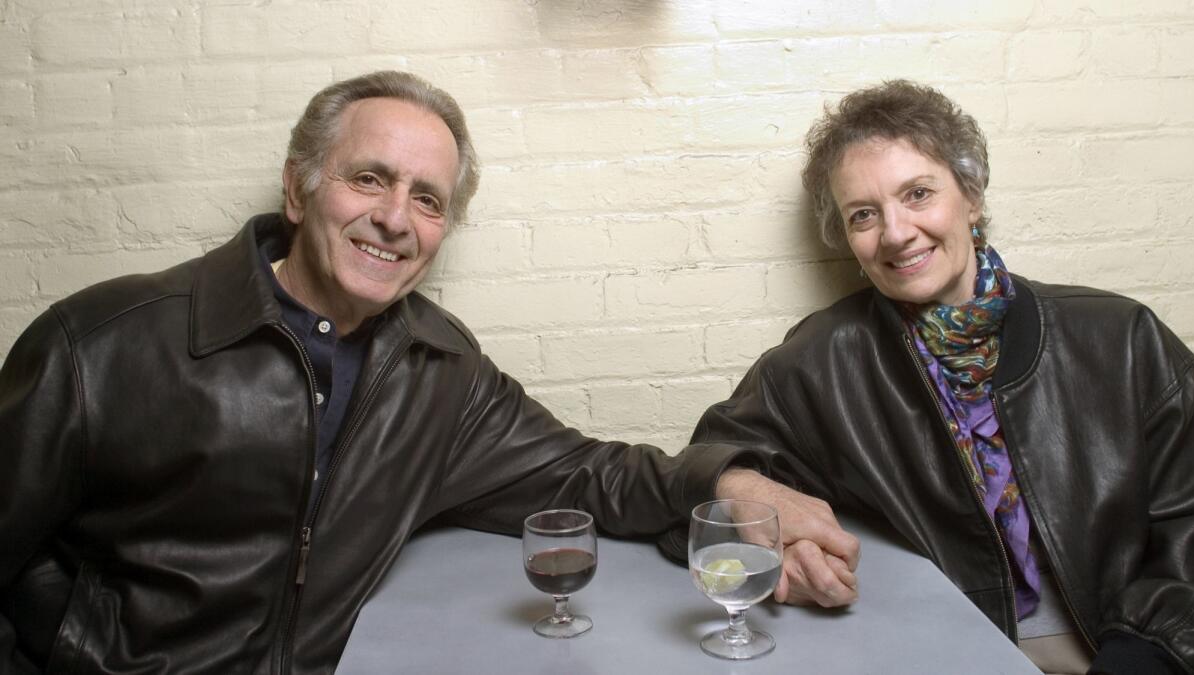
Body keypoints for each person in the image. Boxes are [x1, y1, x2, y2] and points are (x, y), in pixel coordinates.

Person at [0, 71, 858, 674]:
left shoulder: (439, 370)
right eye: (369, 177)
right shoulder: (99, 344)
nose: (393, 218)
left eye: (427, 198)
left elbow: (588, 475)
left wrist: (737, 484)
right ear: (300, 191)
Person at [686, 80, 1194, 675]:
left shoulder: (1121, 337)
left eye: (919, 193)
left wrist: (1142, 658)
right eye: (864, 215)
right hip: (938, 653)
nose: (897, 233)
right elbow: (698, 489)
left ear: (972, 197)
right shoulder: (822, 360)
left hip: (1129, 650)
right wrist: (780, 537)